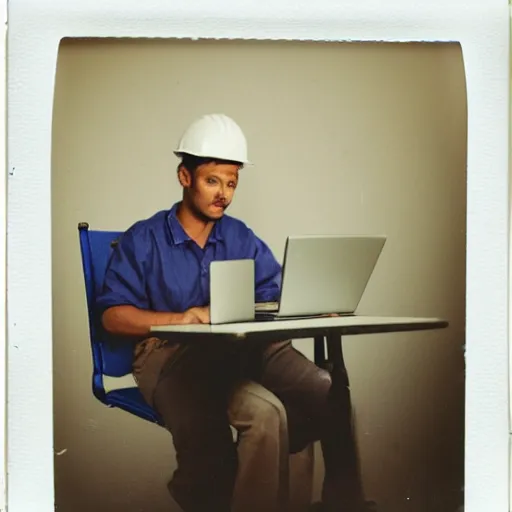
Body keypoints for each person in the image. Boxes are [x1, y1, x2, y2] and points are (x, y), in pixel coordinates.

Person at [96, 114, 374, 512]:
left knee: (328, 393)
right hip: (170, 354)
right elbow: (112, 317)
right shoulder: (146, 238)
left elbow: (275, 294)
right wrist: (184, 318)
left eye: (231, 183)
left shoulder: (239, 235)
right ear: (184, 176)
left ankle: (343, 502)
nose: (223, 193)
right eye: (213, 180)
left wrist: (313, 308)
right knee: (262, 415)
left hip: (239, 347)